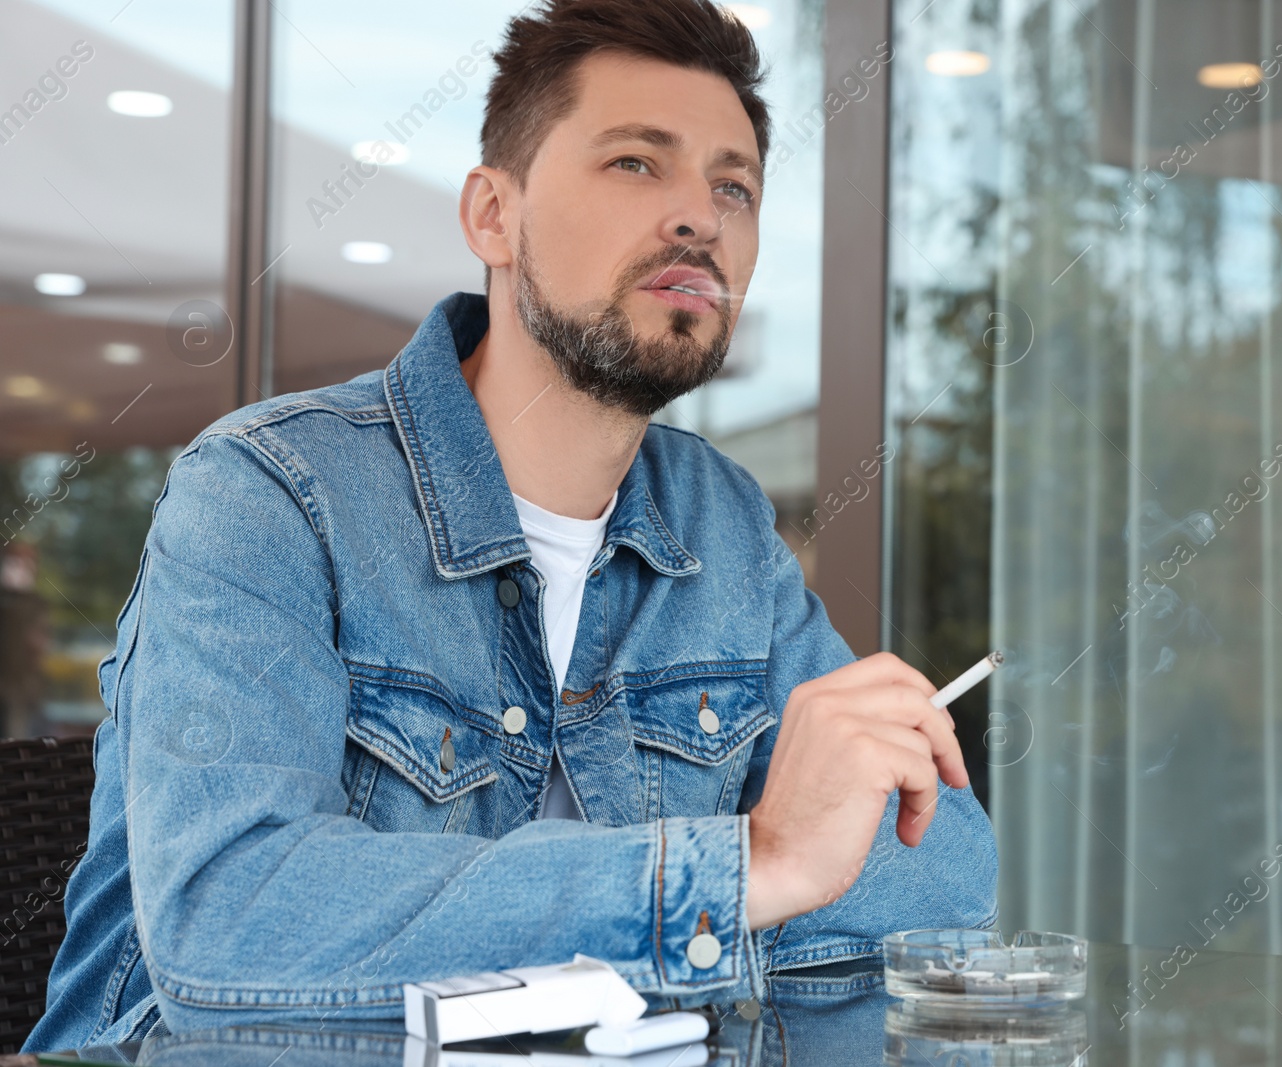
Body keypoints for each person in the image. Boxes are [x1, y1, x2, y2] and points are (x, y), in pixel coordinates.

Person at [25, 0, 996, 1052]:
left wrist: (740, 885)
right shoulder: (269, 491)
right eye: (636, 163)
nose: (700, 218)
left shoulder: (718, 520)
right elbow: (236, 924)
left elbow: (937, 885)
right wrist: (739, 870)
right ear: (492, 213)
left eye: (733, 186)